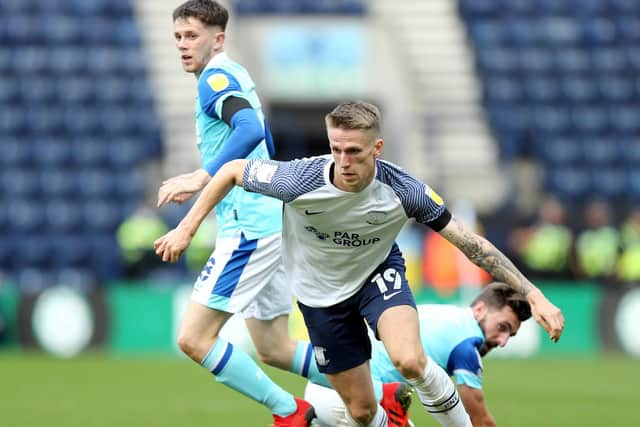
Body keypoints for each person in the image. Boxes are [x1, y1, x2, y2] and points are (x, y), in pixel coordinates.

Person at [154, 101, 565, 427]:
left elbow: (473, 245)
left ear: (377, 149)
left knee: (409, 359)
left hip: (377, 275)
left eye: (354, 151)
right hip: (321, 298)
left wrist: (535, 295)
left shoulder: (405, 190)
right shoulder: (299, 179)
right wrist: (187, 227)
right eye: (336, 149)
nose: (344, 160)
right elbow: (231, 170)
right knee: (363, 412)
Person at [156, 1, 327, 425]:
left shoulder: (214, 77)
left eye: (191, 36)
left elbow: (250, 130)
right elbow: (264, 133)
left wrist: (202, 176)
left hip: (249, 228)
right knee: (274, 348)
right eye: (178, 36)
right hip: (269, 221)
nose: (182, 45)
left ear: (218, 38)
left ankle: (291, 412)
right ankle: (383, 388)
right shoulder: (236, 73)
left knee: (194, 339)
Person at [304, 282, 532, 427]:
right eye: (502, 327)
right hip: (352, 398)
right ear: (480, 309)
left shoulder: (447, 315)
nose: (502, 341)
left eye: (510, 335)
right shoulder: (467, 344)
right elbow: (478, 420)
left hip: (330, 387)